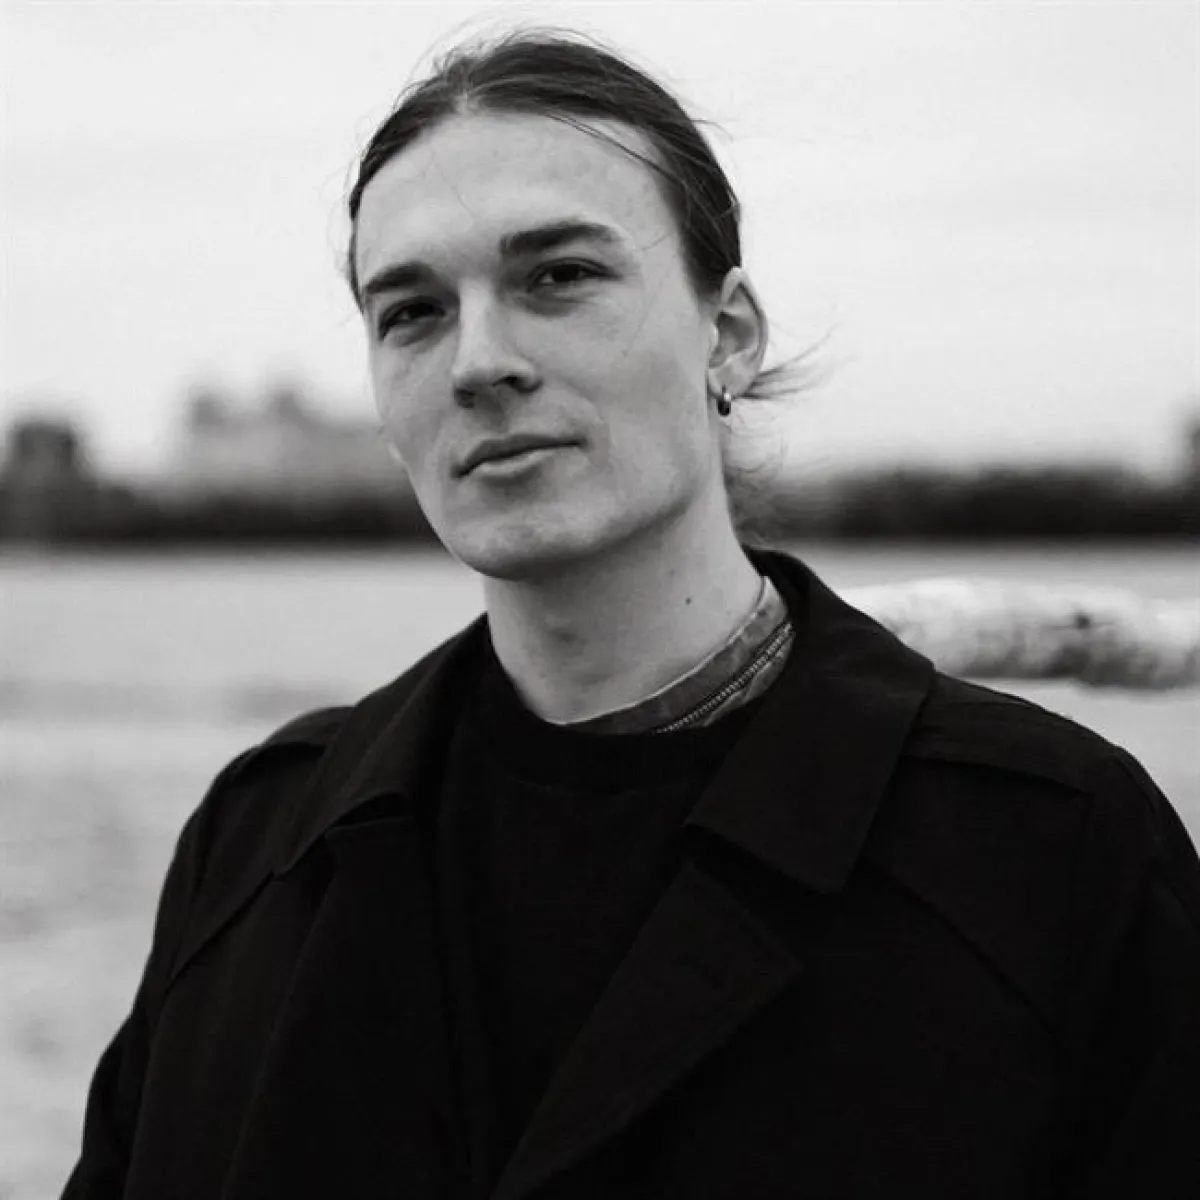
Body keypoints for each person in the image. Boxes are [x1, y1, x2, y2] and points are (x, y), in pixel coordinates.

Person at [63, 30, 1200, 1200]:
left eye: (558, 276)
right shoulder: (258, 846)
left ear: (730, 336)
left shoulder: (1050, 848)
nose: (478, 362)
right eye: (411, 311)